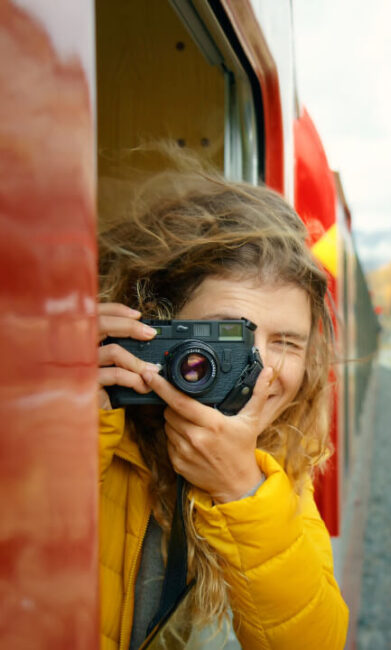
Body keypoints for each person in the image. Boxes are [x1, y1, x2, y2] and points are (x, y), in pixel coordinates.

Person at [96, 155, 349, 649]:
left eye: (287, 343)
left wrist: (242, 491)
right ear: (154, 330)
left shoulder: (278, 471)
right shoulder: (94, 425)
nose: (259, 372)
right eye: (227, 340)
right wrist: (57, 416)